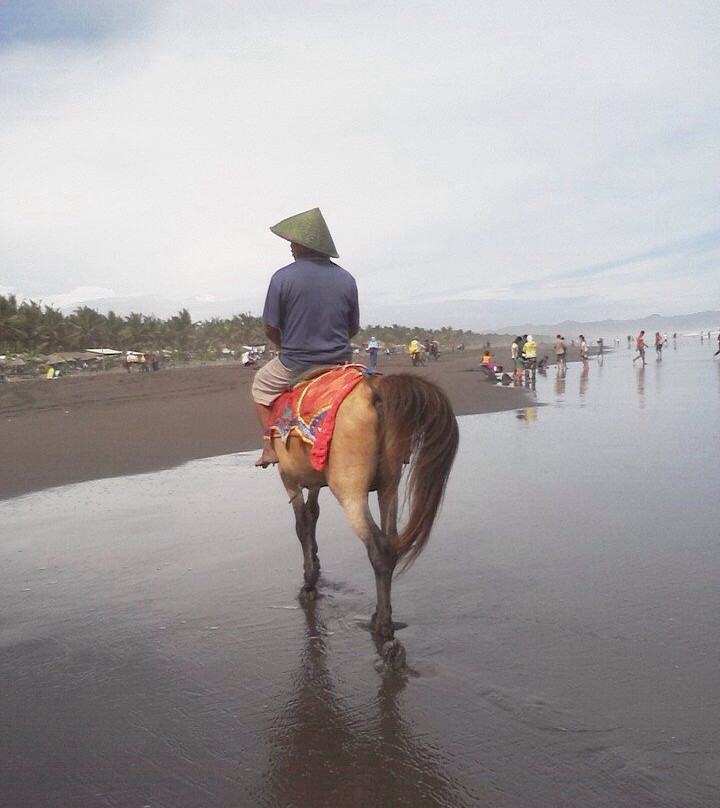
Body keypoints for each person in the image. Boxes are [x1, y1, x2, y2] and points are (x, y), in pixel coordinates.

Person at [251, 207, 359, 467]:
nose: (290, 247)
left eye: (293, 242)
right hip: (340, 362)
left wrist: (283, 347)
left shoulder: (282, 278)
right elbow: (352, 328)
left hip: (296, 363)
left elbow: (270, 328)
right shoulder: (347, 278)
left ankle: (270, 446)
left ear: (303, 245)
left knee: (260, 386)